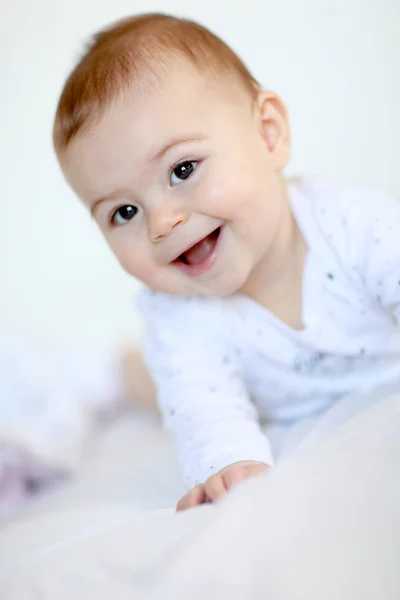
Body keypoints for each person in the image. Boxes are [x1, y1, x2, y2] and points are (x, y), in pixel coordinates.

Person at [52, 13, 400, 511]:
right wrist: (228, 463)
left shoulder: (353, 227)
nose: (162, 223)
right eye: (124, 211)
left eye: (182, 169)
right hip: (232, 387)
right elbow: (202, 411)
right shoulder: (178, 314)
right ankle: (114, 370)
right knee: (155, 384)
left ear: (268, 135)